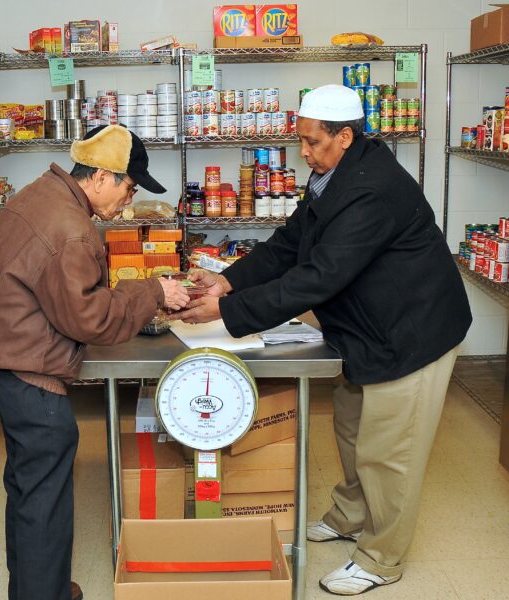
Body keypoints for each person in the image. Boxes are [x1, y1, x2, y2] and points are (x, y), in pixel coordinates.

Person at [175, 84, 472, 596]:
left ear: (346, 136)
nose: (304, 153)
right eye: (301, 141)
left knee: (389, 453)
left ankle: (381, 557)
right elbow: (290, 244)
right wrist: (230, 279)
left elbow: (318, 277)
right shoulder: (330, 177)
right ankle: (351, 515)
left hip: (411, 334)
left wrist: (228, 312)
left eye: (312, 143)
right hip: (365, 330)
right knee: (354, 431)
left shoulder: (370, 189)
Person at [0, 124, 189, 600]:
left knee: (29, 489)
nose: (129, 200)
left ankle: (34, 587)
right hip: (29, 371)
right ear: (104, 176)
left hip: (6, 357)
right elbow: (90, 320)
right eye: (130, 187)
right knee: (44, 498)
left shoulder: (43, 194)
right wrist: (153, 292)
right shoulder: (71, 229)